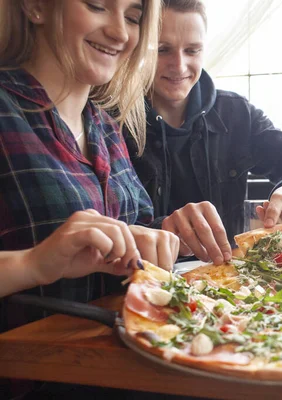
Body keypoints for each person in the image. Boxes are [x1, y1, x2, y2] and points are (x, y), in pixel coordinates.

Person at [0, 0, 179, 331]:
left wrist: (161, 234)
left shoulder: (106, 128)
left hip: (112, 369)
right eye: (97, 5)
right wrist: (32, 263)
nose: (119, 32)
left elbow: (131, 235)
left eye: (132, 17)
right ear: (35, 7)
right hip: (26, 376)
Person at [125, 0, 282, 266]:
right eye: (162, 50)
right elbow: (110, 227)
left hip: (228, 287)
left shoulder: (236, 113)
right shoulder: (111, 122)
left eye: (192, 50)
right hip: (139, 281)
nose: (179, 65)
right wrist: (162, 227)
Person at [0, 210, 146, 299]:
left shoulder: (120, 158)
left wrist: (146, 238)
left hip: (110, 334)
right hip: (31, 343)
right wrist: (30, 264)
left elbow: (139, 217)